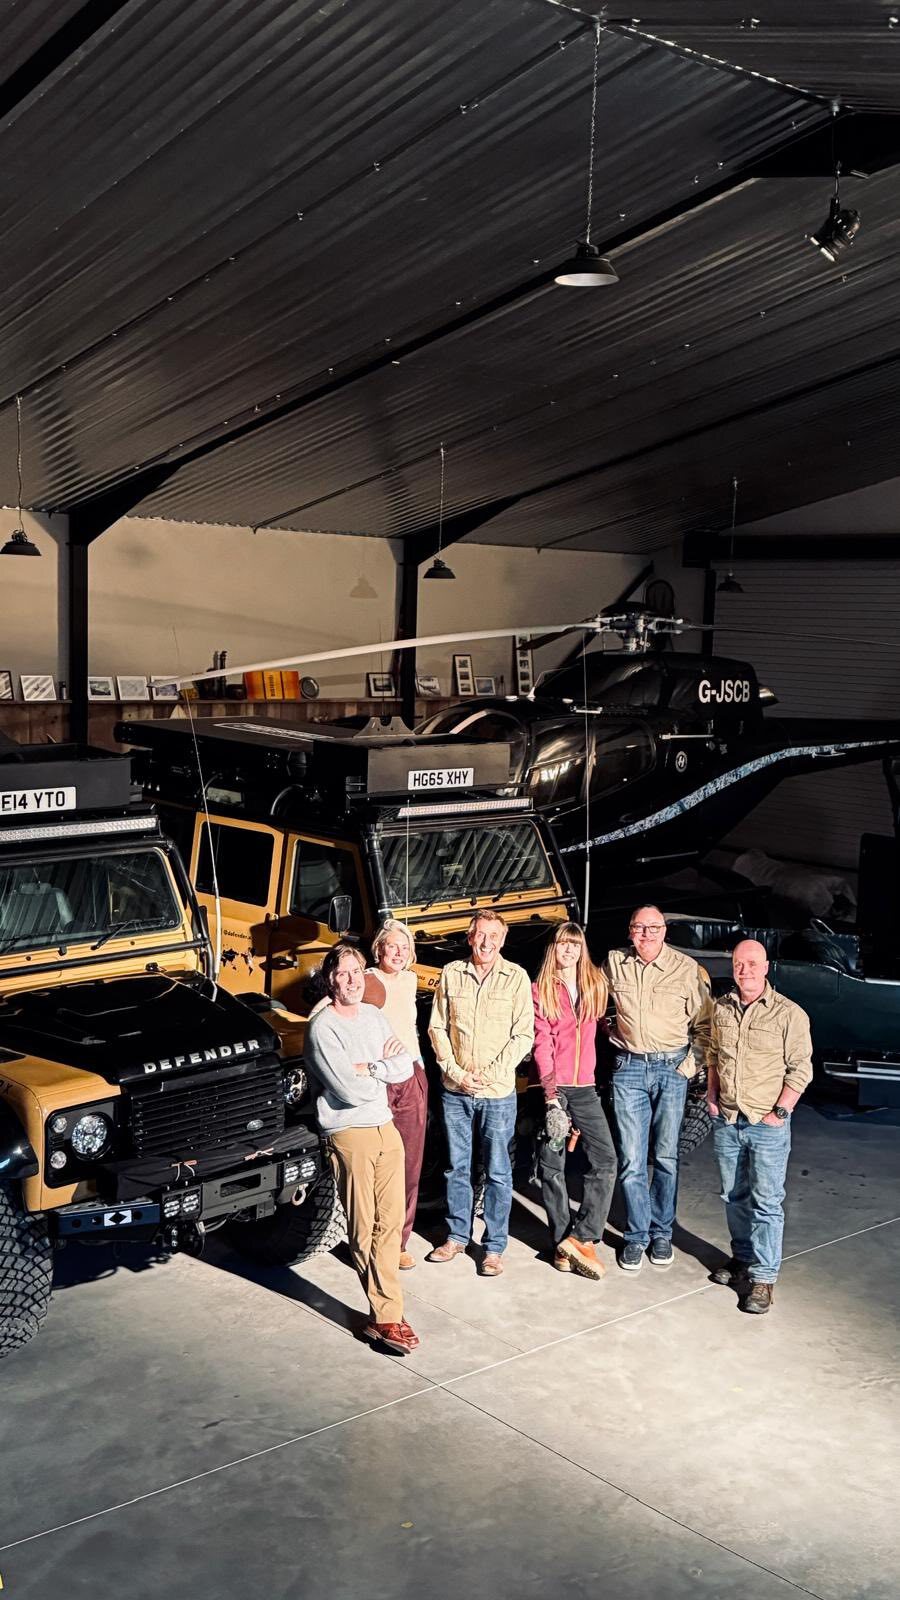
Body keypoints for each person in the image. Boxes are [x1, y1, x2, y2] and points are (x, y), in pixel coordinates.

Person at [305, 941, 420, 1355]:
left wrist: (368, 1067)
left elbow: (403, 1066)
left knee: (390, 1223)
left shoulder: (373, 1016)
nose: (352, 980)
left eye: (357, 971)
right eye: (343, 973)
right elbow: (348, 1092)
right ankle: (387, 1315)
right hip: (350, 1131)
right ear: (330, 980)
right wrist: (379, 1072)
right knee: (363, 1224)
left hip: (384, 1126)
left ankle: (387, 1312)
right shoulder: (322, 1028)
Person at [603, 905, 712, 1272]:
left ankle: (661, 1232)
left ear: (664, 931)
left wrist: (688, 1068)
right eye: (639, 927)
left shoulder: (686, 969)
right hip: (630, 1068)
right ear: (630, 931)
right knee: (632, 1160)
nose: (646, 934)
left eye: (653, 927)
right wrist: (607, 1028)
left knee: (666, 1156)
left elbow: (706, 1025)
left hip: (671, 1068)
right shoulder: (615, 962)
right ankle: (636, 1235)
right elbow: (589, 997)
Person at [707, 938, 813, 1315]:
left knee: (767, 1202)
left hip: (766, 1124)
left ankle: (764, 1278)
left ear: (766, 967)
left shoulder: (789, 1014)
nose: (745, 970)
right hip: (728, 1119)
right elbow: (714, 1055)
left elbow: (801, 1069)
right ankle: (743, 1258)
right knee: (733, 1196)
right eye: (739, 963)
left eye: (753, 963)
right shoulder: (721, 1008)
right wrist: (712, 1095)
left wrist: (780, 1113)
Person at [427, 909, 534, 1276]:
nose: (487, 942)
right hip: (456, 1091)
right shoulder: (452, 973)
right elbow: (437, 1028)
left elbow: (523, 1035)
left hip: (497, 1093)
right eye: (481, 935)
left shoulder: (516, 977)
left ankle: (494, 1247)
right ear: (470, 937)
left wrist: (488, 1075)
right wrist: (457, 1073)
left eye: (494, 936)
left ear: (503, 940)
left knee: (498, 1171)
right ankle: (457, 1236)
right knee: (457, 1167)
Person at [533, 922, 616, 1280]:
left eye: (575, 944)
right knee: (552, 1163)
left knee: (606, 1159)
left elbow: (604, 1026)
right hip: (557, 1090)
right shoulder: (541, 990)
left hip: (585, 1089)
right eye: (563, 944)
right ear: (553, 948)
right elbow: (542, 1045)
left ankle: (582, 1237)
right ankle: (560, 1242)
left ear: (583, 949)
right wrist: (551, 1098)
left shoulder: (595, 985)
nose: (569, 950)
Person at [366, 920, 428, 1271]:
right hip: (380, 1077)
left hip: (411, 1072)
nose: (399, 953)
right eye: (392, 946)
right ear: (379, 949)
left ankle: (399, 1241)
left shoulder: (410, 980)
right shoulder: (367, 980)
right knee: (378, 1161)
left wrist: (418, 1065)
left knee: (409, 1161)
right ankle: (373, 1238)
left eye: (405, 948)